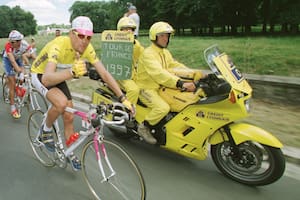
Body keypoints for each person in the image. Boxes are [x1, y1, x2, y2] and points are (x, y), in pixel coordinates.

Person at [31, 16, 133, 171]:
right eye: (80, 35)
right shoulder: (58, 45)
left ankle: (69, 152)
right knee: (61, 104)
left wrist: (123, 98)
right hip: (41, 74)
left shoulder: (88, 48)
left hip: (60, 75)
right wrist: (71, 71)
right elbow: (46, 79)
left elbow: (104, 73)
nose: (84, 41)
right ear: (72, 33)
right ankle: (44, 131)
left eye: (89, 37)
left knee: (69, 116)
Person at [136, 22, 206, 144]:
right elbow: (159, 73)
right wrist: (180, 83)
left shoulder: (164, 52)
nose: (165, 38)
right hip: (146, 88)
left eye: (167, 36)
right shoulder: (148, 54)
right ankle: (144, 127)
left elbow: (175, 66)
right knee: (163, 108)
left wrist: (194, 73)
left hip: (162, 87)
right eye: (162, 35)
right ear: (154, 36)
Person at [2, 30, 34, 118]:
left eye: (13, 42)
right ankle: (13, 108)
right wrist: (20, 71)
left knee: (22, 77)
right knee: (12, 82)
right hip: (8, 60)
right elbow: (12, 61)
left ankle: (19, 87)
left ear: (19, 41)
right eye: (10, 42)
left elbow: (33, 55)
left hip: (18, 58)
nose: (11, 43)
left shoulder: (24, 44)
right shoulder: (8, 46)